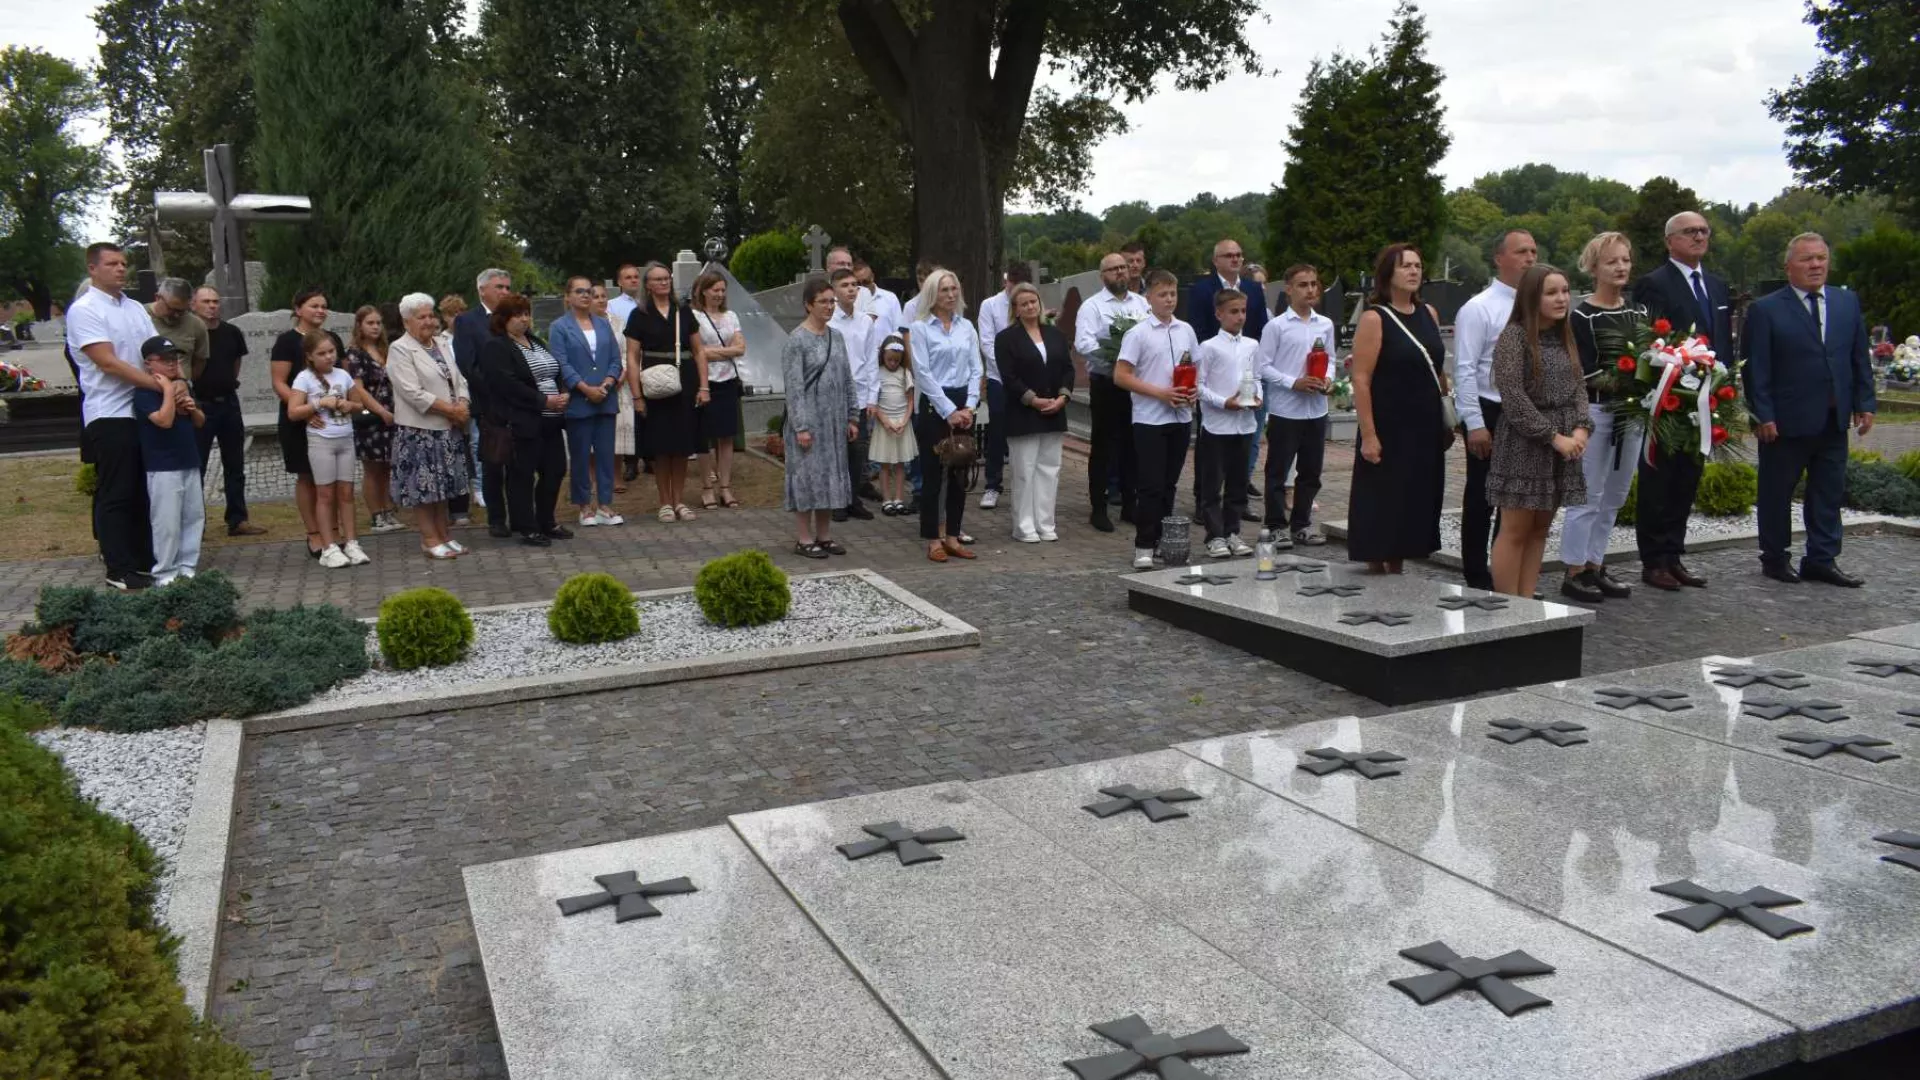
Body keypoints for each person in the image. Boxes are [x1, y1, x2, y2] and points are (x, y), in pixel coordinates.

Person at [1745, 232, 1875, 587]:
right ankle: (1774, 557)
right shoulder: (1765, 309)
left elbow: (1857, 357)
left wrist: (1865, 402)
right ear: (1789, 267)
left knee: (1828, 493)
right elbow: (1756, 368)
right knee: (1776, 492)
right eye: (1807, 259)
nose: (1816, 265)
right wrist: (1762, 414)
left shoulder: (1846, 303)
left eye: (1821, 258)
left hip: (1834, 419)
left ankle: (1821, 558)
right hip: (1785, 422)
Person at [1631, 210, 1733, 590]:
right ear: (1669, 239)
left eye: (1704, 231)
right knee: (1660, 479)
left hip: (1707, 398)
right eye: (1690, 232)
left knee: (1688, 479)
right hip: (1669, 396)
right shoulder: (1654, 283)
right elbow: (1649, 339)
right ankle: (1653, 559)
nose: (1699, 237)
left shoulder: (1717, 286)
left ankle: (1674, 555)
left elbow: (1723, 339)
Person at [1487, 265, 1591, 598]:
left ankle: (1527, 602)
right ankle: (1508, 607)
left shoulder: (1565, 336)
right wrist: (1554, 437)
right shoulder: (1514, 336)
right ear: (1533, 297)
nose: (1562, 298)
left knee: (1540, 531)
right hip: (1525, 445)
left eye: (1565, 290)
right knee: (1516, 529)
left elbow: (1579, 387)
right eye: (1551, 292)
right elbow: (1514, 399)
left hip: (1563, 445)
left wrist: (1580, 429)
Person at [1347, 244, 1449, 573]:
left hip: (1425, 425)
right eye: (1406, 266)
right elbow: (1361, 379)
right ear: (1389, 273)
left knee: (1414, 502)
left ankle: (1399, 568)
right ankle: (1377, 575)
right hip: (1390, 425)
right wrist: (1369, 435)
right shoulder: (1375, 318)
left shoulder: (1429, 314)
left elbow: (1437, 366)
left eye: (1418, 266)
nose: (1414, 271)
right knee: (1384, 505)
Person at [1559, 232, 1647, 601]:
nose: (1621, 267)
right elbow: (1583, 370)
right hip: (1596, 410)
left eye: (1625, 260)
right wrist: (1629, 381)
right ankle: (1574, 569)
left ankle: (1596, 562)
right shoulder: (1581, 315)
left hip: (1633, 413)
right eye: (1612, 261)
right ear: (1594, 267)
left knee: (1616, 493)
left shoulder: (1639, 312)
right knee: (1588, 493)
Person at [67, 243, 160, 588]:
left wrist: (170, 381)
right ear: (93, 269)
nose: (121, 269)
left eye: (123, 263)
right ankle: (117, 568)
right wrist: (156, 384)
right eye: (112, 264)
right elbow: (106, 361)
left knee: (141, 489)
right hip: (110, 412)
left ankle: (141, 559)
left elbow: (155, 350)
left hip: (142, 409)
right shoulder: (85, 309)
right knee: (117, 491)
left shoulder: (135, 307)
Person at [1452, 229, 1538, 590]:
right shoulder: (1479, 308)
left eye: (1534, 251)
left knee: (1518, 498)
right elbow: (1465, 368)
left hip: (1528, 411)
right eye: (1521, 252)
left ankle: (1507, 572)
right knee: (1482, 497)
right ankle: (1475, 573)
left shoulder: (1536, 304)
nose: (1530, 258)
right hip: (1491, 409)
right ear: (1499, 258)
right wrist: (1474, 423)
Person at [1116, 269, 1201, 569]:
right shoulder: (1137, 334)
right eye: (1162, 294)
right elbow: (1122, 376)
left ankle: (1168, 542)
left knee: (1169, 484)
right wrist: (1159, 393)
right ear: (1149, 297)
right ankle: (1144, 544)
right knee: (1150, 485)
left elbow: (1196, 369)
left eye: (1173, 294)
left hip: (1179, 417)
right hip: (1150, 418)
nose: (1168, 300)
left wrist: (1193, 392)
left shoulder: (1186, 331)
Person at [481, 293, 573, 546]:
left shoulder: (535, 341)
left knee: (555, 471)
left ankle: (547, 520)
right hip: (523, 421)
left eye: (526, 314)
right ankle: (527, 525)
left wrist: (562, 393)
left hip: (552, 420)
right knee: (522, 475)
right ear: (504, 319)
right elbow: (507, 384)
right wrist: (542, 400)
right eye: (518, 315)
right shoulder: (497, 346)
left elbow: (553, 371)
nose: (524, 319)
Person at [780, 275, 860, 558]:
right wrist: (801, 425)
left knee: (830, 478)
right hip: (808, 424)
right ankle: (803, 538)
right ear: (808, 305)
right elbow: (794, 388)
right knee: (806, 479)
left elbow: (847, 378)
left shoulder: (836, 337)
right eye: (823, 302)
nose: (829, 307)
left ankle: (824, 536)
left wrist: (852, 416)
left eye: (831, 301)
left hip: (834, 422)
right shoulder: (796, 341)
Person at [388, 293, 472, 559]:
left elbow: (459, 379)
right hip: (419, 431)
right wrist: (451, 410)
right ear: (406, 322)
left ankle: (445, 535)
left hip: (449, 427)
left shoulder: (442, 344)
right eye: (421, 317)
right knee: (424, 490)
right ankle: (429, 538)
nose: (429, 321)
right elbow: (411, 392)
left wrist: (462, 404)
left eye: (430, 315)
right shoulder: (400, 349)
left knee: (444, 486)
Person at [1186, 238, 1273, 497]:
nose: (1235, 259)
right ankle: (1205, 495)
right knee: (1209, 443)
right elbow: (1198, 330)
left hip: (1246, 367)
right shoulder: (1202, 290)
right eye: (1229, 255)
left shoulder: (1253, 289)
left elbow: (1257, 330)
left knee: (1247, 438)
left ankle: (1240, 490)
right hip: (1214, 372)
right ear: (1216, 261)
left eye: (1239, 255)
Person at [1258, 264, 1335, 550]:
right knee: (1278, 471)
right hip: (1286, 409)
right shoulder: (1276, 326)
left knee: (1311, 471)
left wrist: (1328, 380)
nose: (1311, 290)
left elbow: (1331, 360)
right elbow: (1262, 367)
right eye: (1303, 285)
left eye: (1314, 284)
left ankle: (1301, 524)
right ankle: (1276, 525)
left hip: (1316, 408)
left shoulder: (1324, 324)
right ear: (1289, 289)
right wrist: (1293, 382)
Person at [624, 261, 707, 521]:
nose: (664, 282)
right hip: (653, 383)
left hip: (685, 380)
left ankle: (680, 500)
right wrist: (637, 395)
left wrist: (704, 386)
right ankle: (664, 503)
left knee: (681, 446)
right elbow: (632, 356)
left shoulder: (683, 311)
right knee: (661, 447)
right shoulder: (639, 315)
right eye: (658, 279)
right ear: (647, 285)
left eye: (666, 278)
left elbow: (699, 350)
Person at [1074, 252, 1150, 532]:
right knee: (1104, 446)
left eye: (1123, 267)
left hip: (1136, 385)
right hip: (1107, 383)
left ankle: (1131, 504)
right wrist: (1117, 359)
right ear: (1102, 275)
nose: (1120, 272)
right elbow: (1084, 343)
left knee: (1133, 445)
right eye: (1113, 269)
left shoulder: (1142, 304)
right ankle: (1099, 507)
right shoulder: (1092, 307)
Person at [911, 269, 983, 562]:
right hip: (934, 403)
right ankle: (932, 538)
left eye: (954, 289)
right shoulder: (920, 329)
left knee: (960, 472)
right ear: (932, 295)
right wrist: (948, 411)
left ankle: (953, 534)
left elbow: (977, 368)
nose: (951, 295)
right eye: (944, 290)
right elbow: (922, 373)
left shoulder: (966, 327)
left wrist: (969, 406)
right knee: (933, 475)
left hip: (963, 400)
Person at [288, 329, 373, 568]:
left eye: (331, 351)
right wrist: (318, 403)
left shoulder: (343, 375)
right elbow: (293, 412)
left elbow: (359, 405)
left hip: (345, 439)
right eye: (322, 353)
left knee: (346, 493)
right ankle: (328, 547)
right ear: (310, 356)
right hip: (321, 441)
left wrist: (349, 405)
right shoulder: (304, 378)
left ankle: (352, 542)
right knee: (325, 494)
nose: (328, 357)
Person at [996, 282, 1074, 542]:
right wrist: (1034, 400)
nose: (1030, 306)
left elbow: (1067, 368)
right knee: (1024, 470)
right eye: (1024, 303)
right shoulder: (1006, 338)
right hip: (1024, 413)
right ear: (1016, 309)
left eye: (1034, 301)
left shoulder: (1055, 334)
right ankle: (1024, 525)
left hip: (1054, 410)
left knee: (1049, 469)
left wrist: (1063, 397)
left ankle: (1045, 522)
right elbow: (1009, 376)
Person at [272, 288, 346, 558]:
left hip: (331, 418)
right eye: (314, 305)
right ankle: (314, 532)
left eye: (324, 306)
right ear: (298, 308)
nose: (320, 310)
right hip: (299, 418)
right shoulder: (286, 341)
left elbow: (342, 377)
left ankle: (334, 529)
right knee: (307, 476)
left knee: (333, 479)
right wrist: (303, 410)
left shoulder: (333, 338)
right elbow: (279, 382)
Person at [550, 275, 624, 527]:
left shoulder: (603, 325)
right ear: (568, 296)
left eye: (589, 291)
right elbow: (562, 363)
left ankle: (605, 505)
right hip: (579, 400)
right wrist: (584, 388)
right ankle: (584, 506)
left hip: (605, 397)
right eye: (579, 291)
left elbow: (615, 359)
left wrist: (606, 384)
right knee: (581, 455)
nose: (585, 295)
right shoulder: (560, 327)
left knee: (605, 454)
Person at [189, 285, 264, 536]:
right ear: (193, 305)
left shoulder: (231, 332)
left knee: (235, 462)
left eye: (215, 301)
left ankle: (237, 518)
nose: (212, 306)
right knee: (197, 465)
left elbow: (236, 362)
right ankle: (196, 522)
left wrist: (228, 385)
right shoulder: (190, 333)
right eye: (206, 302)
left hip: (229, 404)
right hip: (200, 404)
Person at [133, 337, 205, 585]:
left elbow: (200, 421)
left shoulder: (181, 387)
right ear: (149, 364)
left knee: (193, 517)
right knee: (167, 522)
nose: (172, 364)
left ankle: (187, 567)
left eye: (175, 359)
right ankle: (165, 572)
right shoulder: (145, 393)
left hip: (188, 459)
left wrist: (192, 407)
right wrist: (166, 392)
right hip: (163, 465)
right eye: (165, 360)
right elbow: (163, 420)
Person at [1194, 289, 1260, 558]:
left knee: (1238, 482)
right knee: (1213, 483)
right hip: (1217, 425)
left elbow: (1256, 378)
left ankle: (1233, 532)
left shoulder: (1252, 345)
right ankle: (1214, 536)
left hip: (1244, 424)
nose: (1240, 317)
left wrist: (1257, 397)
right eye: (1234, 311)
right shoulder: (1208, 347)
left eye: (1243, 311)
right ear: (1219, 314)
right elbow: (1199, 386)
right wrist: (1224, 402)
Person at [452, 269, 512, 534]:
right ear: (482, 290)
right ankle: (497, 519)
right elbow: (467, 363)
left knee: (518, 463)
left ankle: (521, 515)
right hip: (488, 403)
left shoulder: (512, 318)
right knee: (493, 463)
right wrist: (496, 389)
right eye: (499, 287)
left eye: (508, 287)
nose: (505, 292)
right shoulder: (468, 321)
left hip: (517, 402)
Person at [974, 264, 1031, 510]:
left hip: (1027, 379)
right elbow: (987, 342)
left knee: (1025, 432)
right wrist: (1009, 368)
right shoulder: (990, 305)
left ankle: (1025, 484)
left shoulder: (1030, 301)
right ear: (1006, 281)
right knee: (997, 432)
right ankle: (992, 485)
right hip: (999, 377)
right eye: (1012, 285)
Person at [826, 268, 879, 522]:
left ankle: (853, 498)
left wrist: (872, 398)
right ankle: (837, 500)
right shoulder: (829, 322)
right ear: (834, 290)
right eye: (845, 285)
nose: (851, 289)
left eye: (855, 285)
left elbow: (870, 360)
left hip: (859, 394)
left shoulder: (865, 321)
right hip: (835, 394)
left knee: (858, 450)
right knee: (837, 449)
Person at [344, 305, 402, 534]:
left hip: (393, 415)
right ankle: (376, 515)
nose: (376, 327)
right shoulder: (355, 353)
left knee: (388, 466)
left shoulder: (385, 350)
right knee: (373, 468)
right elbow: (360, 390)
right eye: (370, 323)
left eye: (378, 323)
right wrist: (382, 412)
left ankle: (388, 510)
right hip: (372, 417)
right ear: (360, 325)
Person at [690, 270, 744, 510]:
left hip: (728, 381)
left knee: (726, 436)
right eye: (715, 290)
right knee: (704, 437)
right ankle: (706, 488)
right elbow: (696, 351)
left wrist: (712, 352)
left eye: (723, 290)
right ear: (703, 290)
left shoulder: (731, 315)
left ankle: (725, 486)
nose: (720, 294)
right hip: (705, 381)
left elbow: (741, 348)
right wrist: (724, 351)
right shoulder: (694, 316)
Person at [869, 334, 916, 515]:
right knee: (885, 464)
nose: (893, 363)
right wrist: (886, 421)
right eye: (889, 359)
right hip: (885, 424)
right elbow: (875, 400)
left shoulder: (905, 373)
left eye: (897, 360)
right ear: (882, 356)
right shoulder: (877, 373)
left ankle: (899, 498)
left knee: (900, 464)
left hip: (901, 424)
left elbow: (910, 400)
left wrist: (904, 421)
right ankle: (886, 499)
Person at [148, 277, 209, 382]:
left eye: (182, 311)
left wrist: (185, 382)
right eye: (172, 309)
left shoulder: (196, 324)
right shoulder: (139, 316)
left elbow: (200, 361)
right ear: (157, 298)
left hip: (181, 391)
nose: (176, 315)